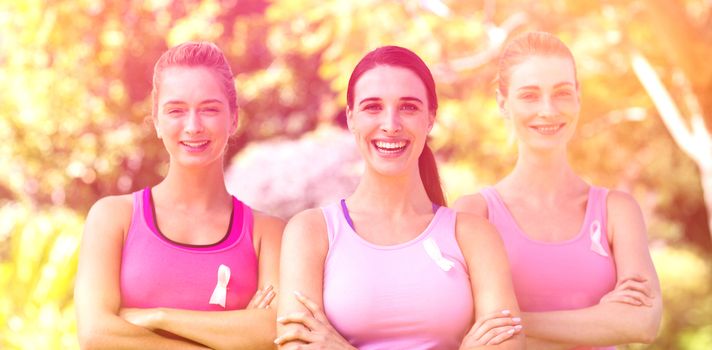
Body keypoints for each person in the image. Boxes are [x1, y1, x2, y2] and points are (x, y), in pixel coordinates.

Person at [275, 45, 524, 349]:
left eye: (408, 107)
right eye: (373, 107)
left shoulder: (475, 236)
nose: (391, 125)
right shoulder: (310, 233)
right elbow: (296, 345)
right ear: (352, 118)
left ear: (430, 119)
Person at [454, 31, 662, 349]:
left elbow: (643, 322)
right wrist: (603, 318)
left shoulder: (617, 211)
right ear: (502, 103)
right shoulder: (474, 214)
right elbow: (461, 324)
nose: (548, 110)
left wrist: (510, 320)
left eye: (562, 93)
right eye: (530, 95)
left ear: (578, 97)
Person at [75, 41, 284, 349]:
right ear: (157, 121)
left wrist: (159, 318)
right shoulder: (113, 218)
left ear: (234, 118)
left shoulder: (267, 233)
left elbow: (273, 332)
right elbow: (96, 335)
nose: (193, 126)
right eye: (176, 110)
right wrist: (233, 337)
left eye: (209, 109)